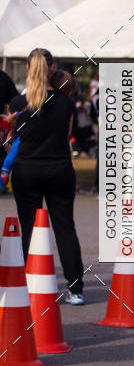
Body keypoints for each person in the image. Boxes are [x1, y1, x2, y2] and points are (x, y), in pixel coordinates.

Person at [8, 48, 85, 304]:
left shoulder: (20, 103)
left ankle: (28, 284)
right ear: (52, 69)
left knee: (27, 229)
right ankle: (75, 289)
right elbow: (66, 136)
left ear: (29, 68)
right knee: (65, 228)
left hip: (27, 169)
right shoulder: (67, 103)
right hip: (59, 168)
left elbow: (13, 140)